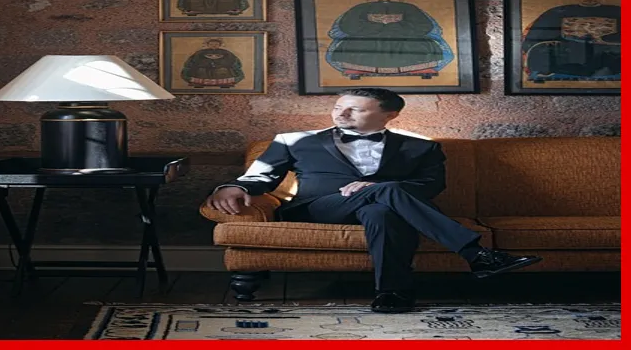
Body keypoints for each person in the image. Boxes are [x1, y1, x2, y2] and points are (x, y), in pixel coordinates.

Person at [206, 88, 542, 313]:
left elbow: (431, 186)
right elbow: (262, 176)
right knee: (385, 191)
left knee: (383, 210)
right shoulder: (294, 140)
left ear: (389, 115)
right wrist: (231, 186)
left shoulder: (421, 147)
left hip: (387, 209)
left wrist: (375, 187)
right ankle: (476, 254)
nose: (341, 114)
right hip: (321, 208)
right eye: (338, 107)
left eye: (355, 109)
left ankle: (392, 293)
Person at [326, 0, 454, 79]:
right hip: (368, 35)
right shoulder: (361, 8)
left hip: (402, 35)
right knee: (356, 44)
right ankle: (358, 69)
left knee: (418, 44)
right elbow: (349, 24)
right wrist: (375, 27)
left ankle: (418, 69)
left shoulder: (408, 7)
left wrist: (396, 26)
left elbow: (422, 24)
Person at [522, 0, 621, 81]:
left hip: (607, 56)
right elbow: (538, 35)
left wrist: (606, 39)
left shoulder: (617, 11)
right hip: (568, 55)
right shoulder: (558, 12)